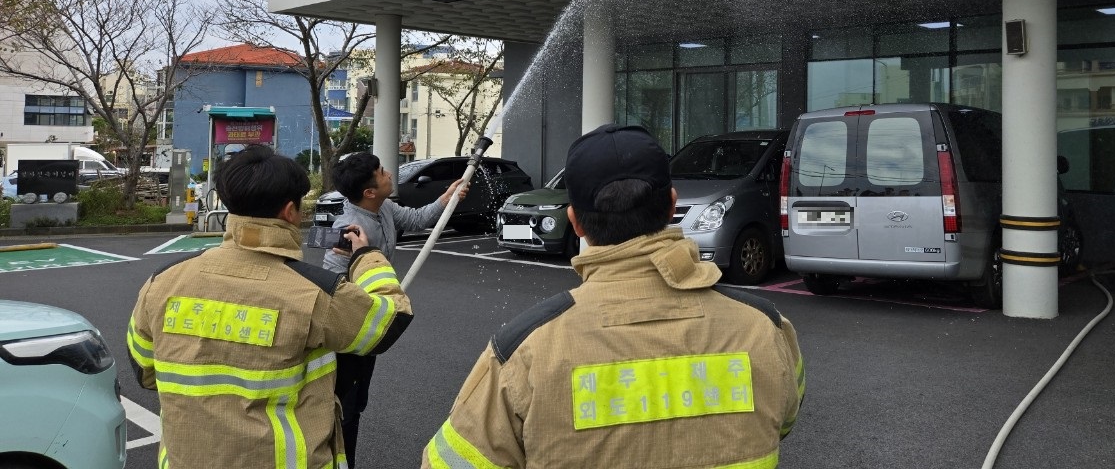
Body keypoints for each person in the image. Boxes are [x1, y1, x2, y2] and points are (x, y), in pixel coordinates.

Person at [421, 124, 805, 469]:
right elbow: (784, 419)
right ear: (672, 205)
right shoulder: (765, 327)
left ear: (575, 222)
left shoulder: (524, 350)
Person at [125, 144, 413, 469]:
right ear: (289, 212)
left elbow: (145, 372)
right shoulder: (313, 292)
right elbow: (390, 323)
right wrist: (366, 257)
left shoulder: (161, 283)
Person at [323, 151, 468, 466]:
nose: (389, 173)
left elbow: (416, 219)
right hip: (351, 333)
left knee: (356, 405)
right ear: (369, 192)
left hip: (372, 322)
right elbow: (333, 287)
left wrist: (447, 198)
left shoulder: (383, 206)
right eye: (381, 172)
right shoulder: (350, 228)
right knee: (344, 408)